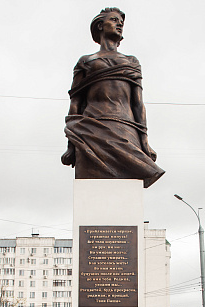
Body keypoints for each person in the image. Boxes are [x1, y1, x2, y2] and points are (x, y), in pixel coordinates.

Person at [61, 7, 164, 188]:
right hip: (90, 129)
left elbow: (138, 104)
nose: (120, 25)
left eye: (121, 22)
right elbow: (75, 102)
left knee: (128, 186)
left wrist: (144, 143)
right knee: (90, 188)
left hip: (125, 130)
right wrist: (71, 144)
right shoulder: (86, 61)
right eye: (114, 20)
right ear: (100, 25)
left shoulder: (131, 62)